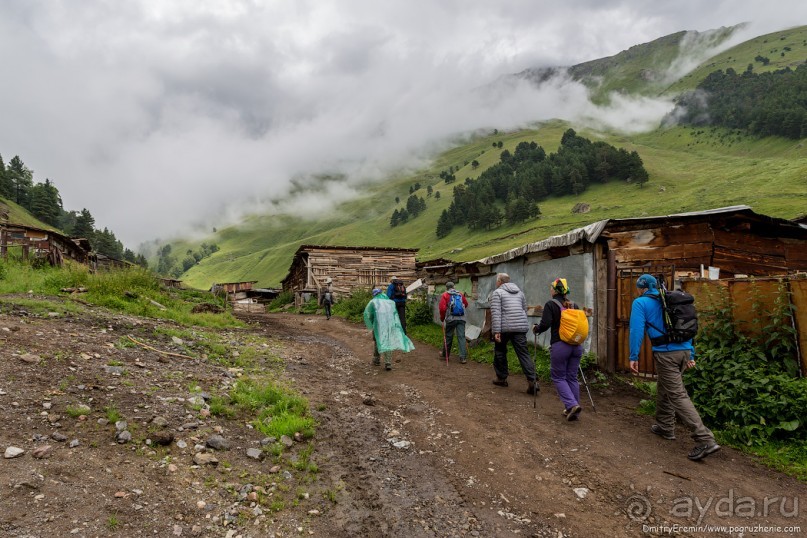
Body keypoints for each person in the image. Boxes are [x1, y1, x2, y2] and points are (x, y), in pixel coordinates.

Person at [629, 274, 720, 461]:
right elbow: (688, 327)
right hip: (684, 351)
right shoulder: (670, 300)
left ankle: (704, 439)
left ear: (642, 287)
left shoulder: (641, 303)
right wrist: (691, 354)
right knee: (665, 387)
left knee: (677, 394)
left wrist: (633, 356)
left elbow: (636, 330)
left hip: (666, 354)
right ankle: (665, 426)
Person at [533, 278, 584, 421]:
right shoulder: (574, 305)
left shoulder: (551, 304)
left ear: (555, 290)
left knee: (558, 377)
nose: (550, 289)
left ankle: (572, 404)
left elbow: (545, 324)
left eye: (551, 287)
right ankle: (574, 409)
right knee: (572, 377)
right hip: (576, 346)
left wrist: (536, 328)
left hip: (560, 346)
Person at [490, 273, 538, 395]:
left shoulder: (497, 293)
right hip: (520, 328)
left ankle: (501, 378)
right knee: (523, 353)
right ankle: (533, 381)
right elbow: (524, 309)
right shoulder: (520, 292)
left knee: (500, 351)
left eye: (497, 281)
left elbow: (496, 313)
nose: (496, 283)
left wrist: (496, 331)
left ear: (500, 282)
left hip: (504, 328)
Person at [364, 288, 415, 371]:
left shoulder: (373, 302)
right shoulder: (390, 302)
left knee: (378, 340)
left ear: (374, 295)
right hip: (389, 326)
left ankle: (376, 360)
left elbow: (368, 314)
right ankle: (388, 363)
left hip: (378, 326)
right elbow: (394, 314)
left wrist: (371, 323)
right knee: (388, 342)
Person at [438, 281, 469, 364]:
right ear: (454, 287)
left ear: (446, 288)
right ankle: (463, 358)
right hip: (461, 318)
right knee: (461, 337)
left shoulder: (445, 295)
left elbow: (442, 309)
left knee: (448, 336)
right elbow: (466, 304)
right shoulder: (460, 294)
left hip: (451, 319)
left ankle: (445, 354)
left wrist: (442, 318)